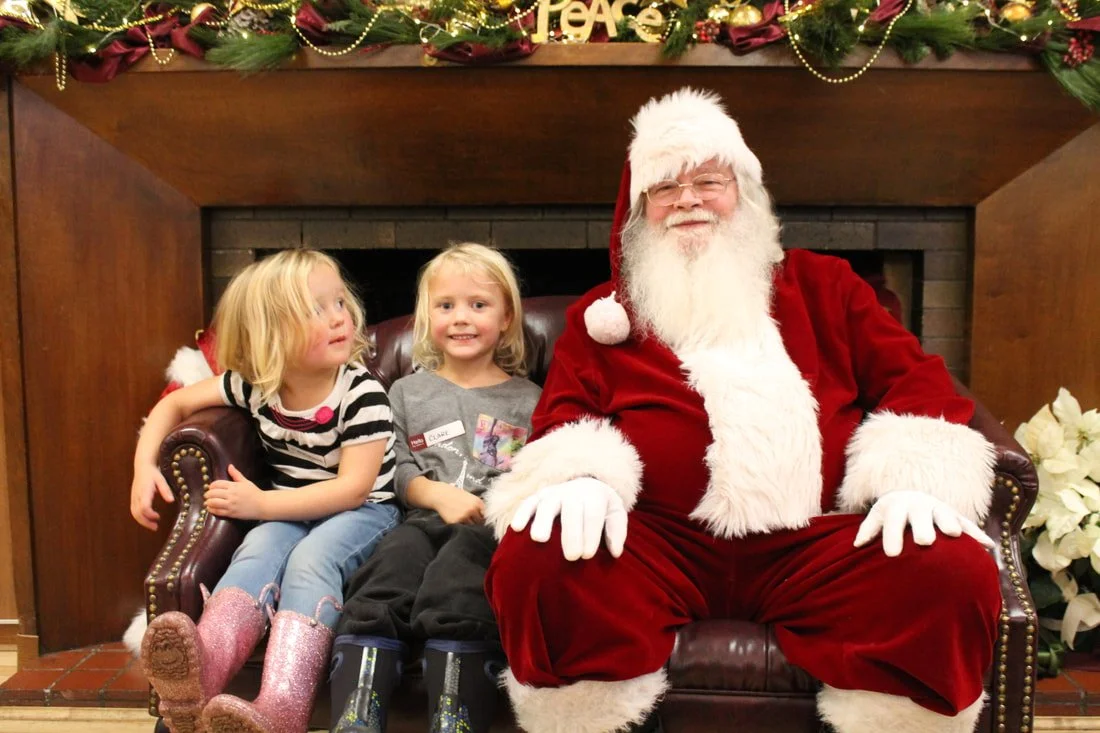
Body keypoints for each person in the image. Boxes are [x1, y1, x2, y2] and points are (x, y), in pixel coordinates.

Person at [481, 88, 1002, 733]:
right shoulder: (604, 318)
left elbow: (920, 384)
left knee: (947, 568)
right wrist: (580, 477)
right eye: (665, 188)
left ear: (745, 194)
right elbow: (562, 419)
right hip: (658, 544)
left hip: (814, 541)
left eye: (708, 180)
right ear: (641, 210)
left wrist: (916, 483)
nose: (688, 200)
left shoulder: (828, 287)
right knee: (541, 555)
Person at [129, 248, 401, 733]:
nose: (339, 318)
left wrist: (262, 504)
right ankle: (201, 675)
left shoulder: (361, 394)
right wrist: (143, 465)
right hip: (288, 508)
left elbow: (354, 490)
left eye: (339, 303)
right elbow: (175, 406)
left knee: (310, 560)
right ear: (268, 333)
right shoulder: (256, 386)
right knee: (256, 551)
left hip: (364, 514)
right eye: (316, 310)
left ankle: (283, 706)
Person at [329, 243, 542, 733]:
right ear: (427, 317)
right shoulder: (406, 392)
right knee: (388, 571)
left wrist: (490, 507)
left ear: (507, 317)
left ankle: (455, 715)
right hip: (420, 519)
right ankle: (359, 711)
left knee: (460, 583)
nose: (461, 319)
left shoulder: (528, 399)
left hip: (489, 527)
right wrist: (435, 494)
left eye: (478, 305)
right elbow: (396, 465)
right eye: (446, 306)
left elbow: (533, 472)